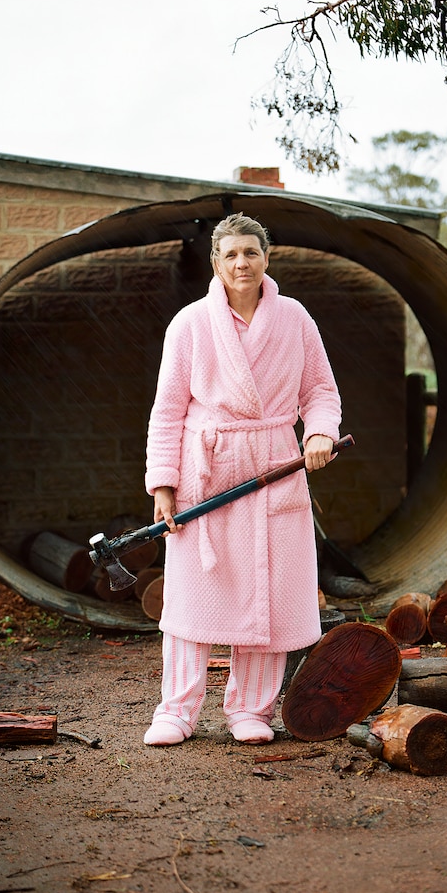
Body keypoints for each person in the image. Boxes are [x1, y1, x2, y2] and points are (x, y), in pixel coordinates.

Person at [142, 212, 342, 746]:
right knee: (191, 594)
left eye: (250, 252)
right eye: (230, 254)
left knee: (269, 591)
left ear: (267, 257)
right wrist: (163, 483)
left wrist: (319, 434)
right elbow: (167, 410)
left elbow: (321, 391)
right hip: (205, 467)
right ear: (215, 262)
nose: (241, 263)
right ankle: (177, 710)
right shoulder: (188, 324)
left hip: (275, 461)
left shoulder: (296, 318)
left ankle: (251, 711)